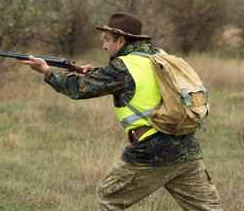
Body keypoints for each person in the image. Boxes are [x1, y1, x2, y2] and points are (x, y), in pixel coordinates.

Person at [20, 12, 222, 211]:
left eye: (107, 40)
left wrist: (47, 71)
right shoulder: (158, 55)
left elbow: (77, 89)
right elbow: (133, 77)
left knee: (108, 196)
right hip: (188, 147)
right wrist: (95, 72)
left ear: (121, 40)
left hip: (153, 150)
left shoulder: (122, 67)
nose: (104, 46)